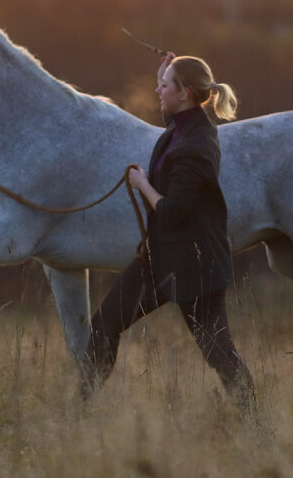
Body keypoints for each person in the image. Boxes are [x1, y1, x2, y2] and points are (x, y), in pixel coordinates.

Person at [83, 52, 256, 412]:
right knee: (104, 323)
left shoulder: (195, 146)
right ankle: (81, 409)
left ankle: (256, 423)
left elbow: (174, 211)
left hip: (195, 264)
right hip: (161, 258)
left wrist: (142, 183)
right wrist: (166, 71)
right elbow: (170, 116)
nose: (157, 90)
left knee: (217, 351)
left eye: (165, 85)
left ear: (187, 94)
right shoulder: (185, 126)